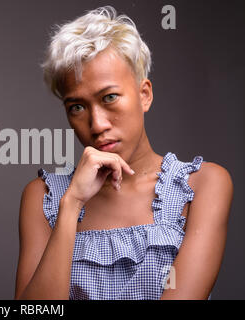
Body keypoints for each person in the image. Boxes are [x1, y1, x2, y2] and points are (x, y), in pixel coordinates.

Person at [14, 6, 234, 300]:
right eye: (77, 107)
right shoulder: (45, 198)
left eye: (109, 98)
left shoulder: (202, 185)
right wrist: (72, 204)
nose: (96, 124)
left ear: (144, 95)